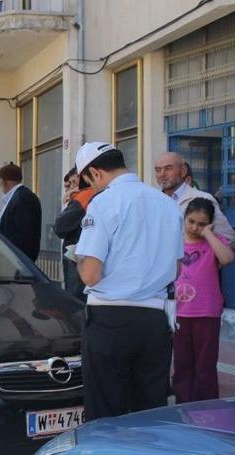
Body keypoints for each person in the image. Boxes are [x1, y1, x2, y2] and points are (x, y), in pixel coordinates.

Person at [74, 142, 183, 421]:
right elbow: (177, 268)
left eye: (88, 181)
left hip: (110, 318)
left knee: (105, 411)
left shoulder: (103, 202)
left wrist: (77, 259)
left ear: (95, 173)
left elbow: (90, 274)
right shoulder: (167, 203)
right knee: (150, 411)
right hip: (156, 320)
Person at [172, 198, 234, 403]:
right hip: (179, 312)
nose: (194, 228)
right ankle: (183, 405)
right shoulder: (175, 242)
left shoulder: (214, 242)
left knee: (205, 364)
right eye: (191, 221)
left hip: (206, 312)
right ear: (184, 218)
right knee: (182, 363)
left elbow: (227, 259)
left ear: (210, 224)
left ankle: (207, 408)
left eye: (201, 224)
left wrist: (208, 234)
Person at [155, 152, 235, 246]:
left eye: (168, 168)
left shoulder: (202, 199)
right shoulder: (153, 201)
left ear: (183, 171)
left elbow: (229, 240)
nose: (162, 174)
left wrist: (198, 252)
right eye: (158, 170)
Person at [54, 168, 96, 302]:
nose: (72, 187)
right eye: (69, 184)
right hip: (87, 261)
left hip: (79, 263)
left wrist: (73, 201)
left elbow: (60, 227)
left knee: (76, 303)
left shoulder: (84, 196)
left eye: (74, 182)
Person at [0, 163, 41, 262]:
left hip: (18, 261)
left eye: (0, 182)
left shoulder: (22, 199)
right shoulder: (19, 197)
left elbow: (24, 236)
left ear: (4, 182)